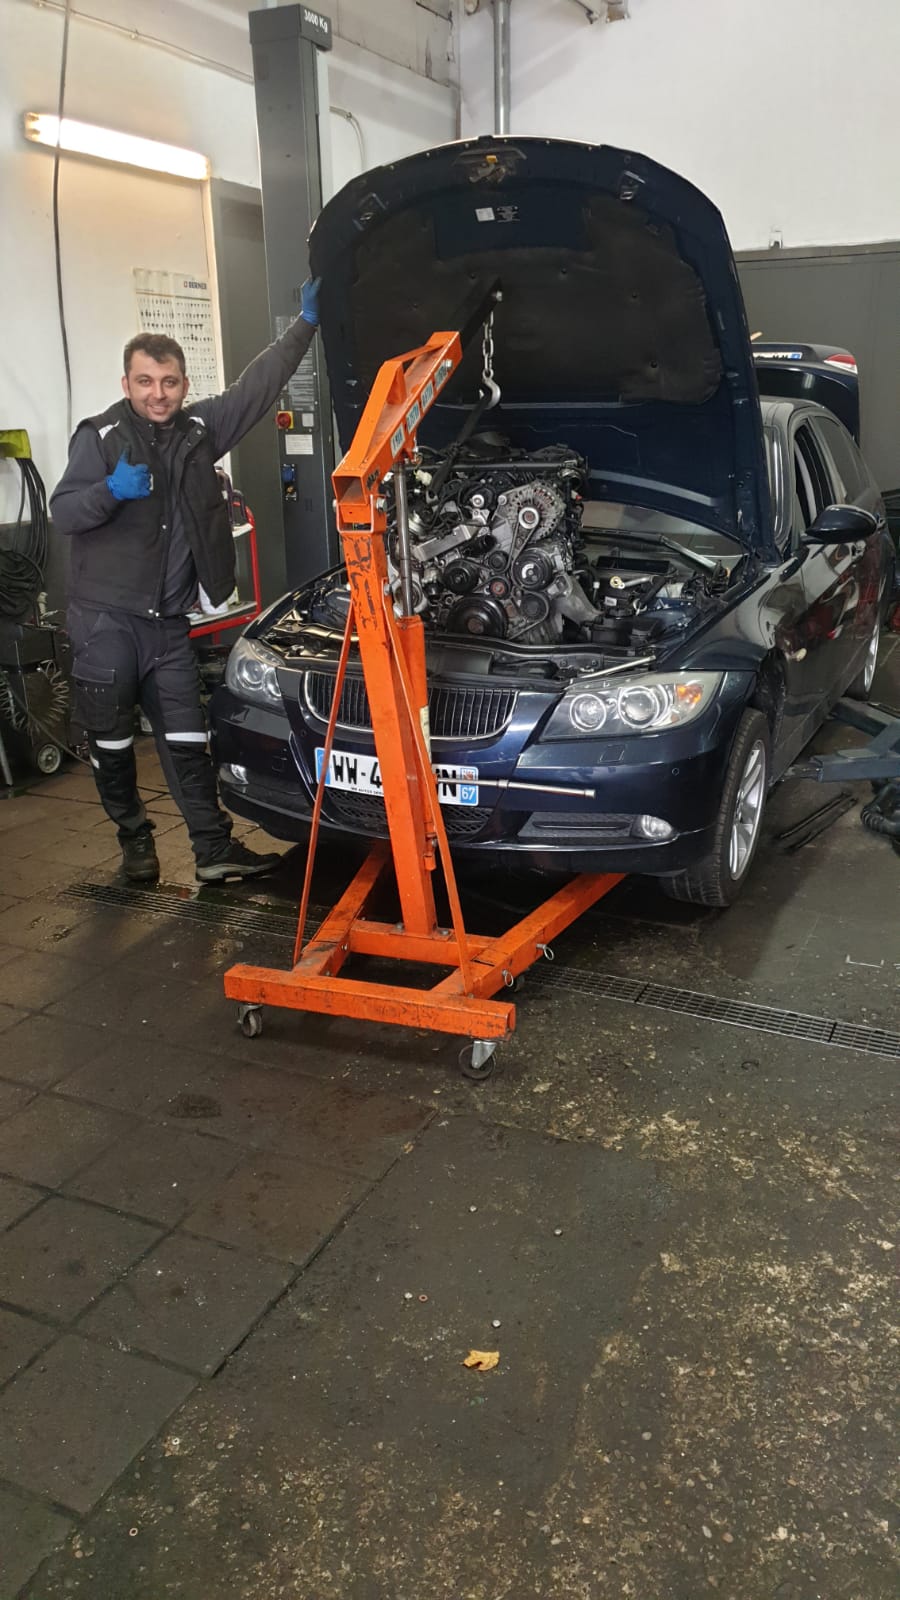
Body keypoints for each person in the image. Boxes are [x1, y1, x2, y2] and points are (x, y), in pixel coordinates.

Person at [50, 278, 321, 884]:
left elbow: (257, 387)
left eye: (169, 382)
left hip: (168, 624)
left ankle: (213, 851)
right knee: (112, 743)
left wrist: (304, 324)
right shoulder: (100, 438)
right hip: (106, 621)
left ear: (184, 384)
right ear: (127, 384)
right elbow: (63, 513)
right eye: (145, 381)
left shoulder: (201, 431)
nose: (158, 393)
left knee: (188, 740)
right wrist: (108, 491)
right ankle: (135, 843)